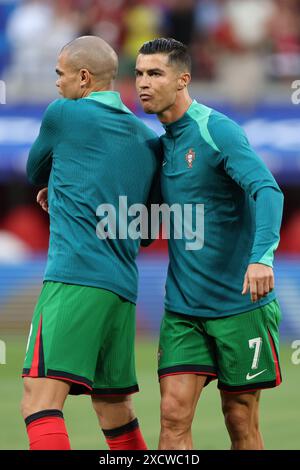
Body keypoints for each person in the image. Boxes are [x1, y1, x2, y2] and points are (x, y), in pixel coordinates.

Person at [135, 38, 284, 450]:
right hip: (183, 309)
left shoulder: (216, 129)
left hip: (239, 305)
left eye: (155, 73)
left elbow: (268, 191)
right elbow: (146, 225)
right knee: (172, 416)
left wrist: (262, 258)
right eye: (139, 73)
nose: (143, 83)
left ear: (183, 79)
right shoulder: (160, 146)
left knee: (240, 420)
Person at [21, 35, 161, 450]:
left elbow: (34, 170)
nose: (57, 84)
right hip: (122, 291)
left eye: (60, 75)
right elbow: (148, 230)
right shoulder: (147, 140)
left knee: (38, 400)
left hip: (74, 277)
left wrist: (59, 187)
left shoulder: (65, 114)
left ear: (84, 78)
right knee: (114, 409)